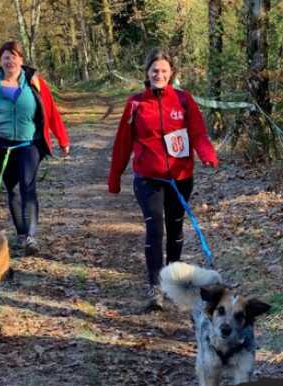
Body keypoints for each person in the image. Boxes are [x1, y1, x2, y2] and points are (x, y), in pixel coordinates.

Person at [108, 48, 218, 311]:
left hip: (180, 177)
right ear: (147, 73)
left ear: (172, 74)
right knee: (155, 227)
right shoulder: (136, 104)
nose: (159, 75)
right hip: (148, 178)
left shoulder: (183, 100)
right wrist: (115, 178)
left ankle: (174, 281)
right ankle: (155, 286)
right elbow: (122, 144)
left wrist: (207, 154)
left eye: (164, 71)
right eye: (155, 70)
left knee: (175, 229)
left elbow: (198, 133)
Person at [0, 41, 70, 255]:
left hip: (29, 144)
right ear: (1, 61)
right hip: (2, 145)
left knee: (28, 186)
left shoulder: (34, 82)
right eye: (6, 57)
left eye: (14, 56)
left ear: (21, 60)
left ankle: (32, 238)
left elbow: (51, 112)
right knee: (13, 190)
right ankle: (22, 234)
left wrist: (63, 139)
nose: (10, 61)